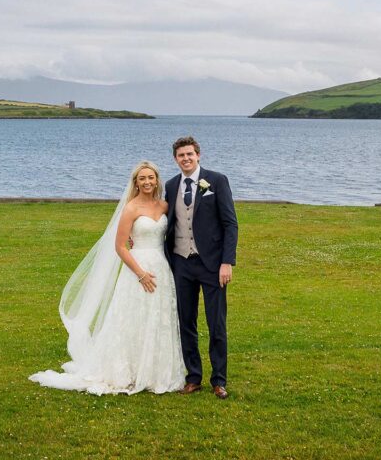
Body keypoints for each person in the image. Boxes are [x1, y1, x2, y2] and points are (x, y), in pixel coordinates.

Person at [29, 161, 186, 394]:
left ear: (157, 180)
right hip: (137, 270)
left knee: (158, 317)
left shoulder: (164, 206)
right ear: (136, 182)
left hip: (161, 268)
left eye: (151, 177)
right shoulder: (131, 208)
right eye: (142, 178)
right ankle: (127, 370)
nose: (147, 182)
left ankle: (155, 372)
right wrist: (141, 274)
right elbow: (120, 246)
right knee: (132, 317)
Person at [164, 136, 238, 399]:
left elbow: (230, 224)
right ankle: (193, 377)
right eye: (181, 155)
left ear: (198, 155)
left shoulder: (216, 181)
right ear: (175, 159)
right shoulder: (171, 185)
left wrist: (227, 262)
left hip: (212, 265)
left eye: (189, 154)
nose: (185, 158)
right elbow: (164, 219)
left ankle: (219, 380)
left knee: (216, 323)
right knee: (186, 322)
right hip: (181, 263)